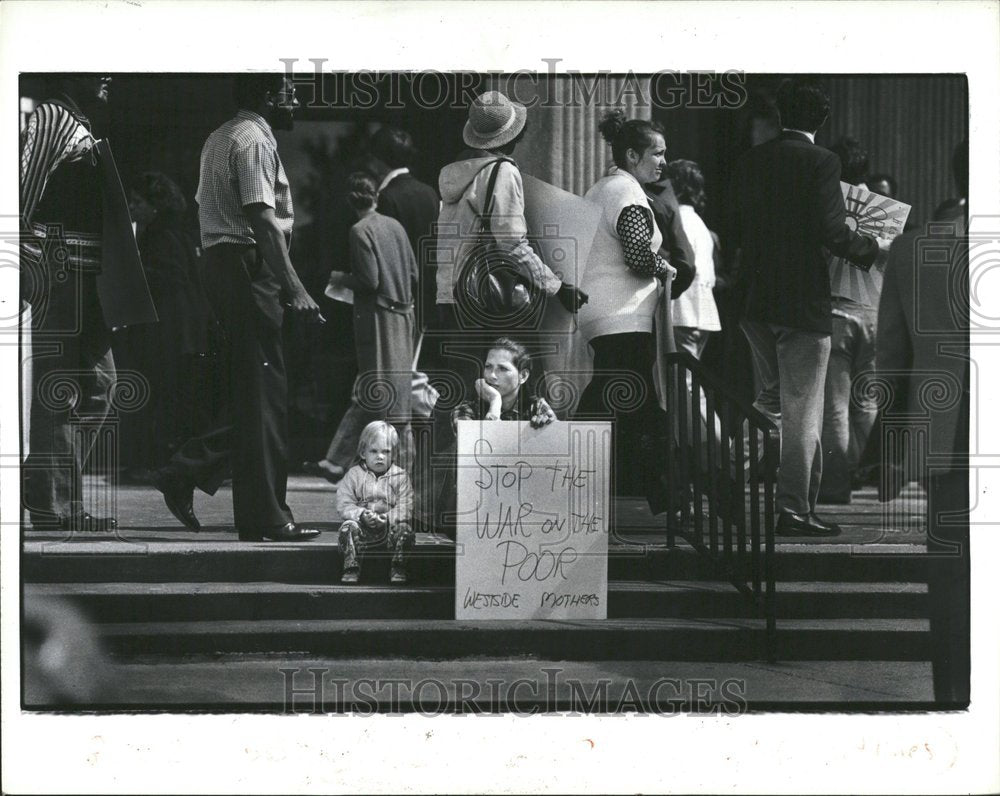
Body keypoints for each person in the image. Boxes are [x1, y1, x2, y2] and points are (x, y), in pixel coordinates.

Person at [152, 74, 324, 542]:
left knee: (257, 391)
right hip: (247, 266)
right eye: (288, 92)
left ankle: (192, 476)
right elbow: (264, 222)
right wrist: (296, 288)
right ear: (267, 96)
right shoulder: (250, 140)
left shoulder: (222, 135)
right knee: (265, 391)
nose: (296, 100)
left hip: (227, 264)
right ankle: (265, 516)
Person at [733, 78, 890, 537]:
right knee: (803, 408)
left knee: (770, 397)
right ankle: (795, 509)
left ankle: (720, 474)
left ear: (781, 115)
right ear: (821, 120)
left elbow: (737, 224)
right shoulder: (823, 161)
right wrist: (875, 249)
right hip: (802, 301)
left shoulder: (750, 160)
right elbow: (833, 232)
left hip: (754, 299)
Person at [876, 141, 969, 705]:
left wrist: (889, 449)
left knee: (952, 586)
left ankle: (954, 697)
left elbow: (891, 359)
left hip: (946, 439)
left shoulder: (912, 251)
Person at [433, 91, 587, 392]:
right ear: (511, 136)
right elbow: (512, 245)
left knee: (473, 388)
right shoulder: (501, 172)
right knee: (515, 382)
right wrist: (556, 286)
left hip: (457, 297)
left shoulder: (458, 176)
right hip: (495, 301)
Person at [20, 75, 118, 532]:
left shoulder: (76, 122)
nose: (106, 75)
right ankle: (52, 504)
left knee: (100, 387)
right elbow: (20, 189)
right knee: (58, 389)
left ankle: (47, 488)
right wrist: (29, 261)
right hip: (59, 268)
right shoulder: (52, 116)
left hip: (89, 274)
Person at [576, 110, 675, 498]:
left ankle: (641, 486)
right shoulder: (628, 193)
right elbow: (636, 255)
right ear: (633, 156)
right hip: (624, 315)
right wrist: (665, 267)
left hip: (601, 312)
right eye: (657, 154)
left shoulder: (600, 188)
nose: (663, 162)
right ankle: (662, 491)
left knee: (615, 395)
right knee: (635, 399)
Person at [311, 172, 417, 483]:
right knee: (394, 395)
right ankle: (341, 461)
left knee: (374, 390)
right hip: (403, 317)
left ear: (349, 202)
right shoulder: (395, 226)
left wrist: (341, 279)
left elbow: (369, 281)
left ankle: (343, 462)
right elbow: (413, 274)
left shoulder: (359, 231)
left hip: (378, 320)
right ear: (376, 197)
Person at [116, 172, 215, 480]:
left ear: (155, 206)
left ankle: (156, 463)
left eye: (137, 202)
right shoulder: (175, 232)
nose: (131, 207)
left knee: (159, 394)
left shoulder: (160, 236)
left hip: (169, 330)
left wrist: (130, 268)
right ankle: (167, 461)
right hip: (182, 329)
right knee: (171, 395)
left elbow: (171, 277)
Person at [424, 338, 556, 538]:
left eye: (502, 369)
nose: (492, 376)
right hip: (477, 511)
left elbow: (559, 452)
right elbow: (483, 447)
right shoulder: (465, 410)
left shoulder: (536, 407)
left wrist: (547, 428)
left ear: (523, 376)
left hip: (526, 508)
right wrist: (495, 403)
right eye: (488, 367)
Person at [818, 137, 881, 504]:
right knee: (867, 404)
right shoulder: (881, 207)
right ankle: (875, 477)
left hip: (838, 309)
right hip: (872, 311)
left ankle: (836, 486)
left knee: (836, 407)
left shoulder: (830, 201)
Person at [369, 125, 440, 325]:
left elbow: (386, 259)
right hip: (430, 296)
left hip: (399, 302)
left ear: (377, 161)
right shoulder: (430, 193)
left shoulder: (386, 198)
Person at [336, 421, 415, 585]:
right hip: (363, 529)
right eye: (374, 451)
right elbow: (344, 503)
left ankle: (398, 566)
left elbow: (406, 506)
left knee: (405, 530)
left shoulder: (400, 477)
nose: (380, 456)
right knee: (347, 527)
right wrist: (361, 515)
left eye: (386, 452)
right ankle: (351, 566)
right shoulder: (354, 475)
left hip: (389, 530)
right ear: (363, 452)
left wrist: (388, 518)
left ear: (394, 454)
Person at [666, 159, 722, 360]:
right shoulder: (699, 223)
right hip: (701, 309)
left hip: (683, 310)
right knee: (684, 377)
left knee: (683, 380)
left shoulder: (678, 221)